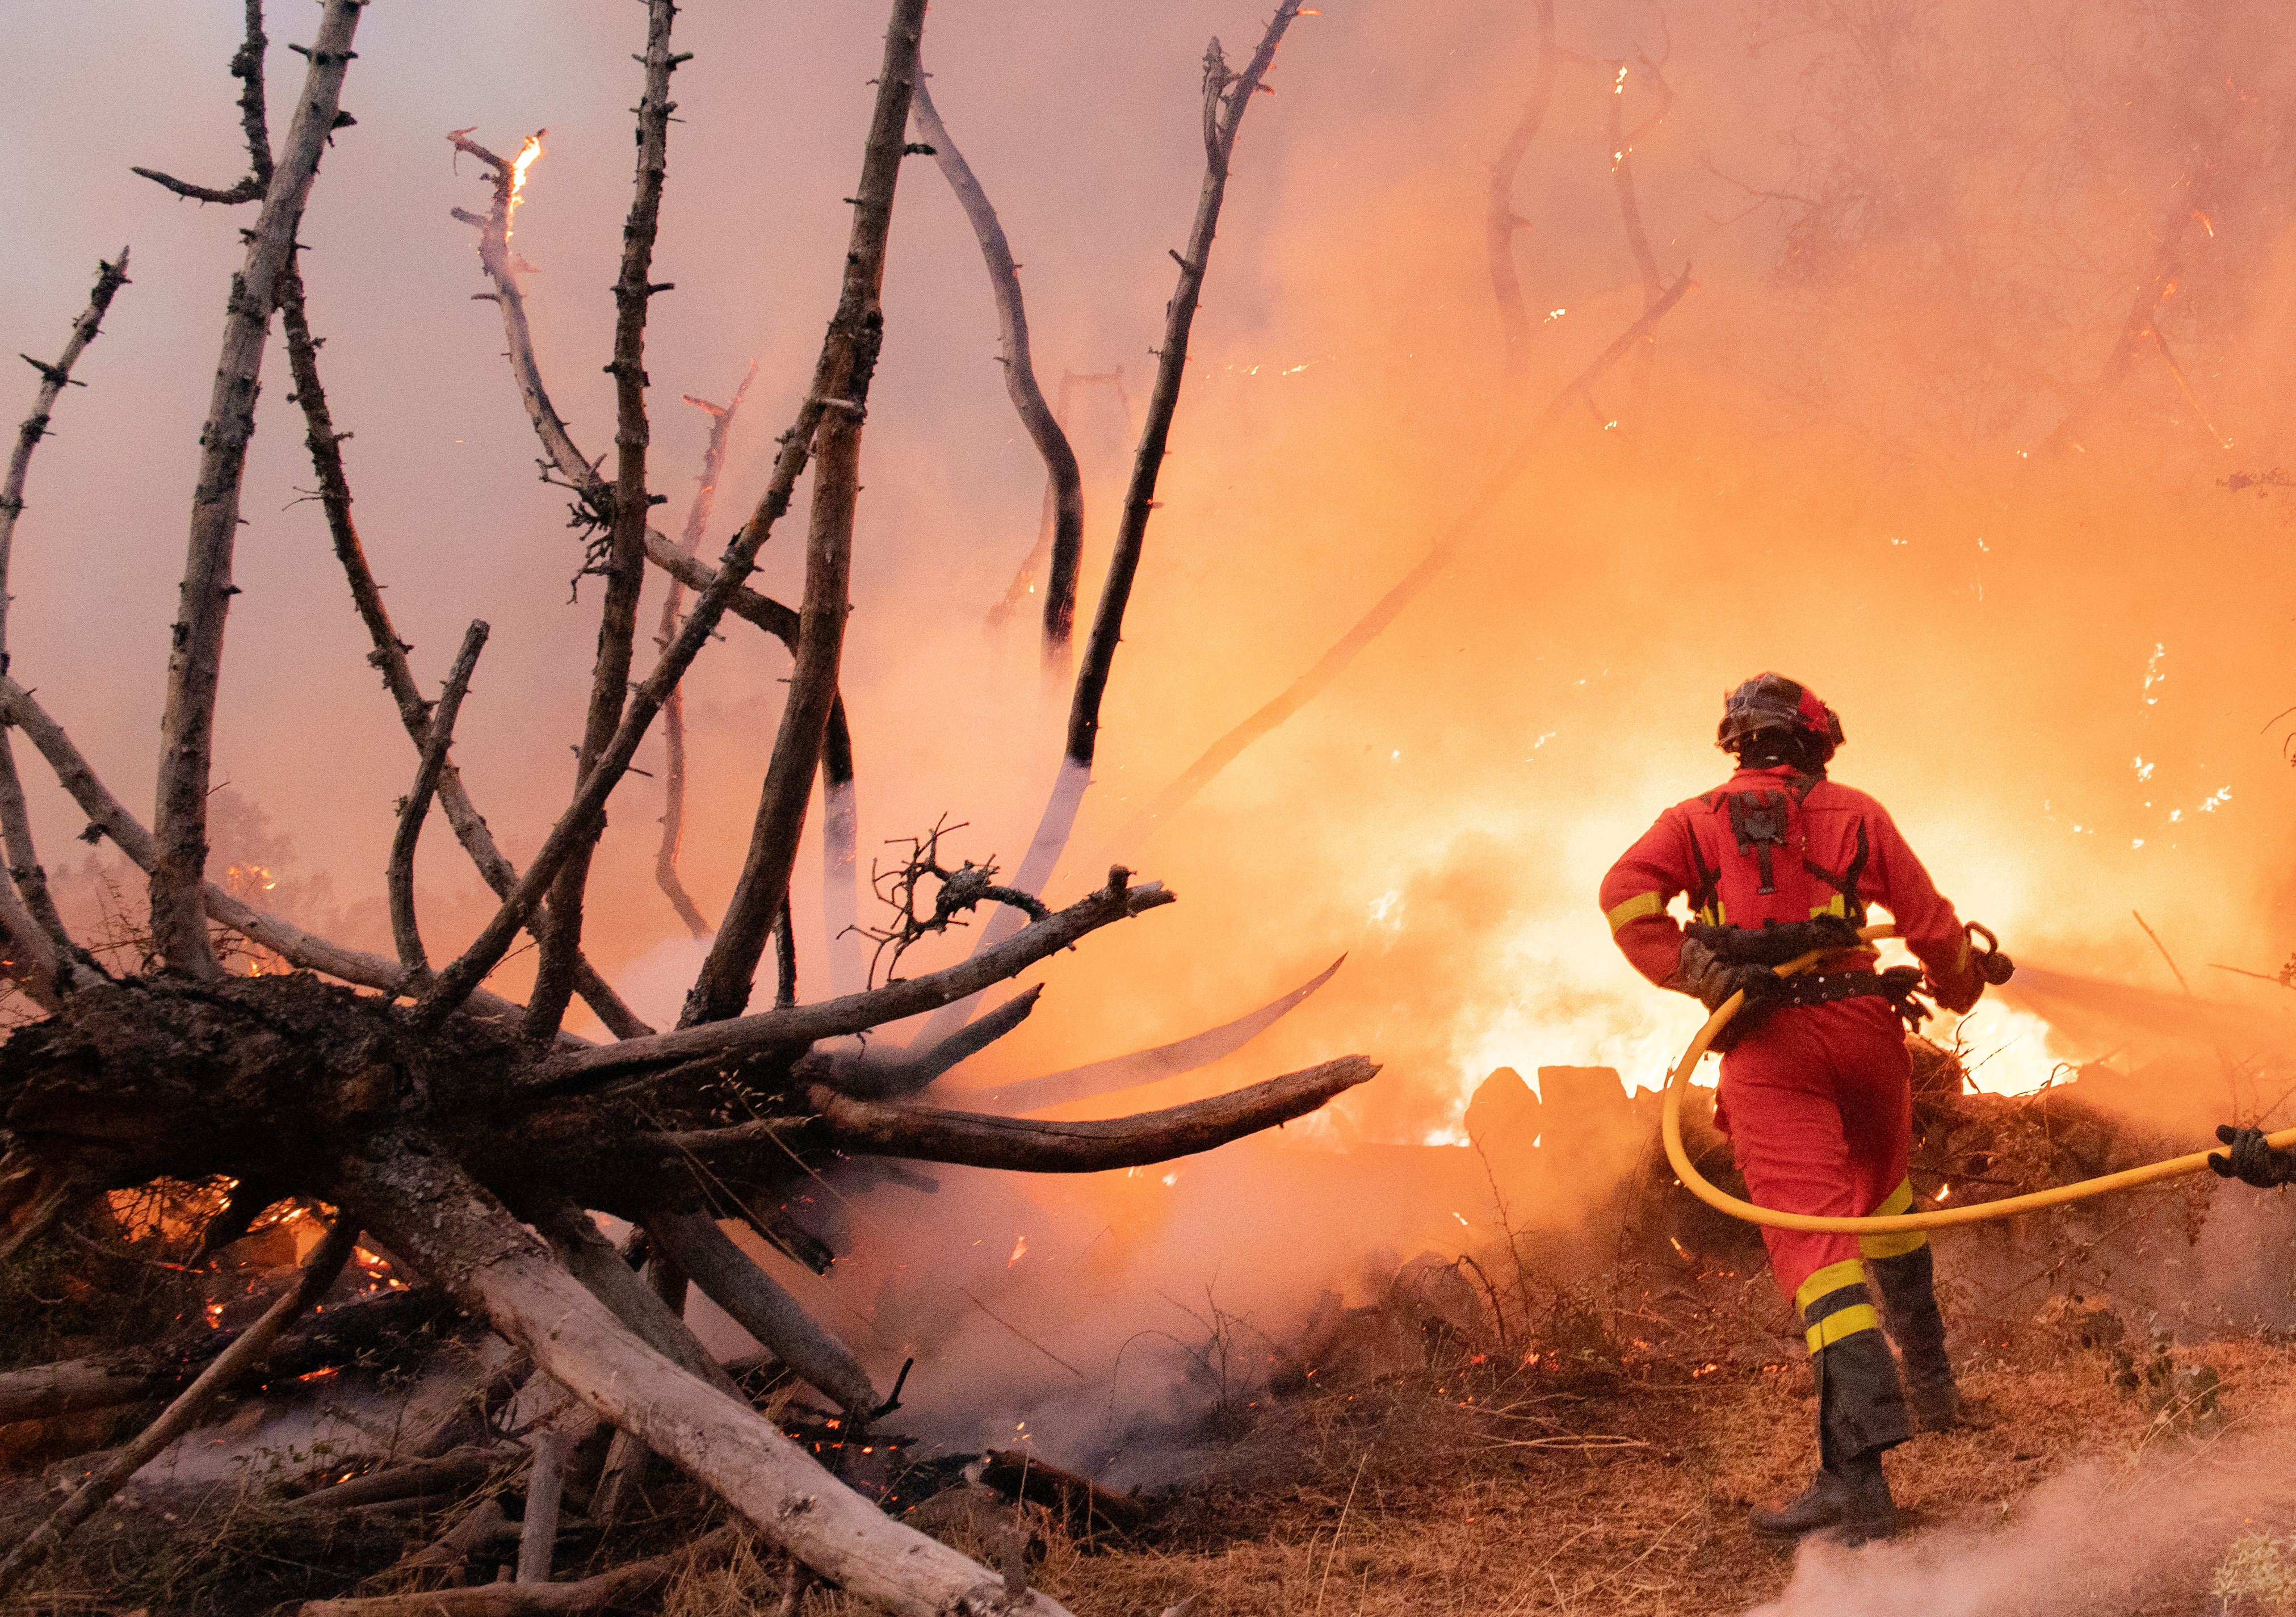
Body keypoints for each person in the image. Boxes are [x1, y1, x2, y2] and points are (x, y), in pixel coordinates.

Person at [1599, 673, 1989, 1544]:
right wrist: (1960, 981)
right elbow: (1930, 926)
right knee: (1883, 1205)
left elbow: (1624, 898)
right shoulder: (1856, 810)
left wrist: (1703, 972)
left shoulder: (1690, 821)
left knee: (1818, 1256)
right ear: (1817, 742)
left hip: (1769, 1044)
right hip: (1863, 1032)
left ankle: (1856, 1480)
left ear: (1736, 744)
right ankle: (1934, 1395)